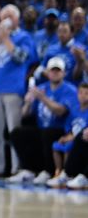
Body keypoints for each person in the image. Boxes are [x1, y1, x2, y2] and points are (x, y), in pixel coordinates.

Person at [0, 4, 36, 176]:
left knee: (14, 131)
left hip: (13, 90)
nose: (6, 19)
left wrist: (6, 39)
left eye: (10, 16)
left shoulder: (24, 37)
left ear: (17, 19)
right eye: (3, 15)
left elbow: (22, 58)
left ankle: (16, 168)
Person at [8, 57, 78, 185]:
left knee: (48, 134)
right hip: (42, 128)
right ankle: (28, 169)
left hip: (60, 129)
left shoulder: (70, 90)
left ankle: (49, 171)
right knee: (17, 133)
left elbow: (60, 111)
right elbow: (25, 115)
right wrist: (28, 103)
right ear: (47, 72)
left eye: (58, 71)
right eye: (52, 70)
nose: (55, 73)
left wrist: (42, 97)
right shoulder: (42, 87)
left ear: (64, 73)